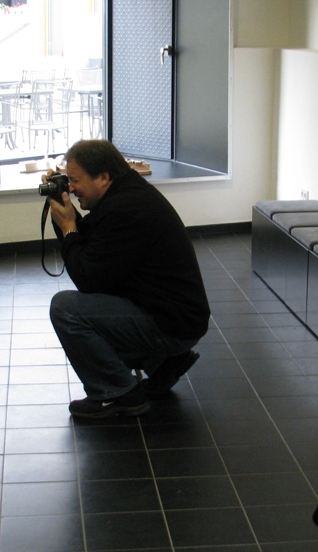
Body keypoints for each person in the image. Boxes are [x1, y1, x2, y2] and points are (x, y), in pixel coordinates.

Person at [46, 139, 210, 419]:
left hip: (172, 324)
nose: (71, 188)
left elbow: (87, 278)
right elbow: (90, 245)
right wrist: (65, 220)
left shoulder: (125, 208)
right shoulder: (125, 194)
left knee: (66, 309)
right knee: (96, 305)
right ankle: (163, 363)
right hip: (173, 316)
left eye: (75, 180)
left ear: (103, 177)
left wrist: (69, 228)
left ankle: (117, 393)